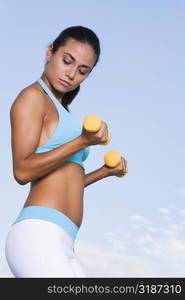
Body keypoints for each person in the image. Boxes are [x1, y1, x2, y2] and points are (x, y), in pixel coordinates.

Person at [5, 26, 127, 277]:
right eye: (67, 61)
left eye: (83, 71)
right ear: (51, 51)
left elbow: (64, 183)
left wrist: (104, 172)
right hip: (38, 235)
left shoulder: (61, 110)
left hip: (63, 239)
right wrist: (83, 141)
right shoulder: (32, 97)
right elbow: (22, 170)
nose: (71, 74)